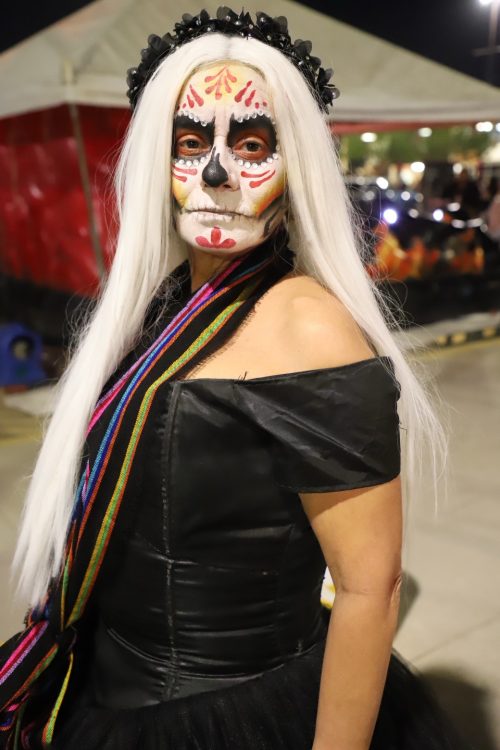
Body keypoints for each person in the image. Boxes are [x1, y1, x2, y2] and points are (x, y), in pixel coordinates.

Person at [1, 8, 462, 750]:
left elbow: (369, 588)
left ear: (295, 165)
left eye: (250, 144)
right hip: (104, 689)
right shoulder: (162, 306)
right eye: (191, 143)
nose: (216, 172)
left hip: (231, 717)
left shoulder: (311, 328)